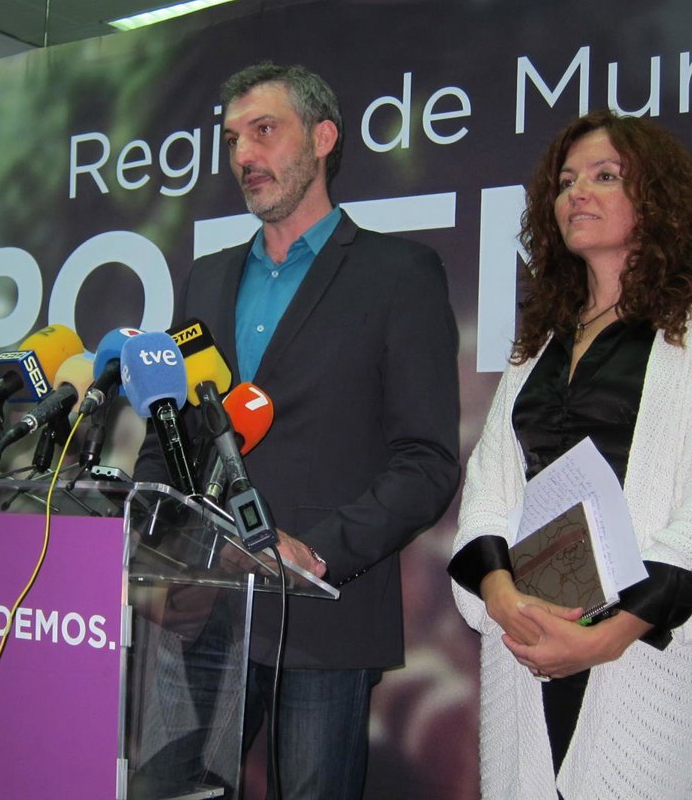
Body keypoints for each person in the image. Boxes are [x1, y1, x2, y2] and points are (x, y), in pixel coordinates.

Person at [134, 61, 460, 799]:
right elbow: (171, 435)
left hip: (322, 617)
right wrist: (155, 532)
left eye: (264, 130)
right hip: (201, 609)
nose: (243, 154)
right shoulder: (207, 278)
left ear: (323, 137)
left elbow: (427, 460)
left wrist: (316, 552)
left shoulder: (399, 274)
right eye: (232, 139)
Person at [448, 109, 692, 799]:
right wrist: (501, 595)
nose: (577, 194)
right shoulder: (538, 343)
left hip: (644, 652)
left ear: (656, 198)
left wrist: (605, 637)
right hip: (525, 644)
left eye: (604, 176)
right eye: (566, 182)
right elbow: (488, 488)